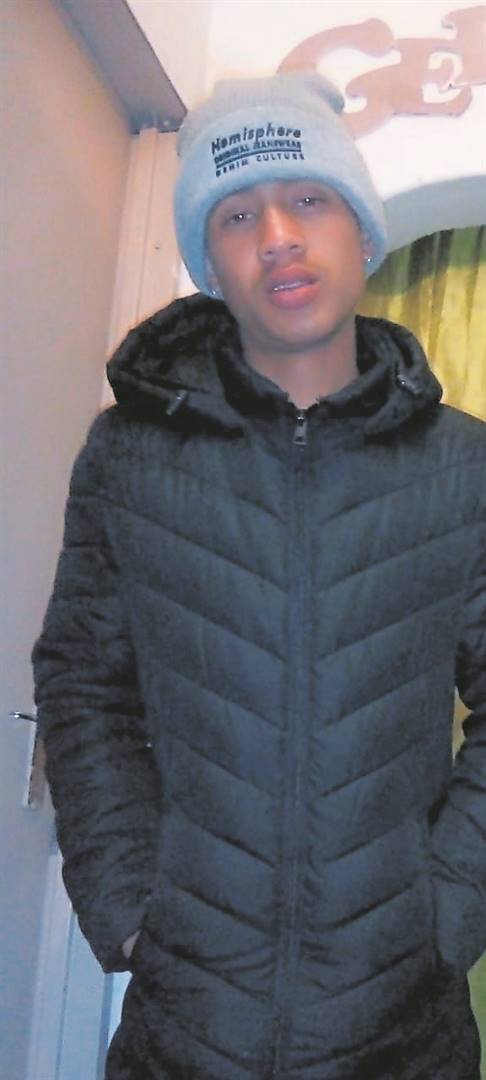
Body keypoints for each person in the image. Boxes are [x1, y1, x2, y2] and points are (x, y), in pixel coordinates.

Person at [32, 71, 485, 1080]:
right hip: (187, 1031)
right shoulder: (130, 456)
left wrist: (449, 909)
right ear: (210, 263)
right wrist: (129, 906)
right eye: (237, 215)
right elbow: (83, 686)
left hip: (406, 1034)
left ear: (362, 233)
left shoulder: (466, 467)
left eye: (308, 198)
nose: (277, 235)